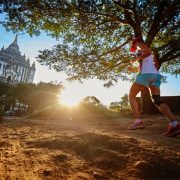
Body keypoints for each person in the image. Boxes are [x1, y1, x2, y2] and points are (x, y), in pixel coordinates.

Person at [128, 37, 180, 137]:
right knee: (157, 100)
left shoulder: (140, 44)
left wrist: (135, 58)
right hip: (155, 76)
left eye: (133, 46)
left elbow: (147, 52)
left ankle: (138, 122)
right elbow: (149, 65)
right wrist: (132, 69)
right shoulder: (143, 53)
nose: (134, 48)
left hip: (146, 75)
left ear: (135, 43)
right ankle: (175, 125)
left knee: (131, 96)